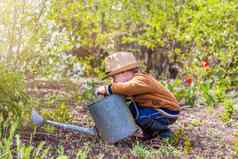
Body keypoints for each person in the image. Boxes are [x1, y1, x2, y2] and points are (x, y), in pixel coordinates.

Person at [95, 52, 180, 140]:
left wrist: (108, 89)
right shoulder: (132, 82)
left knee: (141, 115)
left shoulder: (140, 80)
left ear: (124, 72)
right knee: (133, 109)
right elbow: (124, 93)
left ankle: (165, 133)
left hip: (167, 110)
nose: (113, 81)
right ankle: (150, 134)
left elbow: (128, 88)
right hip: (156, 108)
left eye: (113, 78)